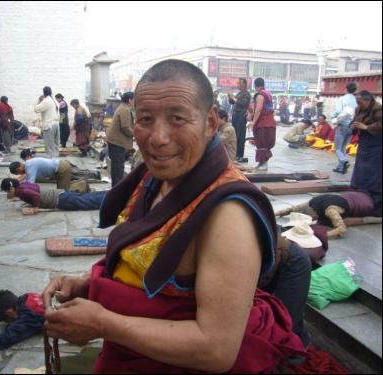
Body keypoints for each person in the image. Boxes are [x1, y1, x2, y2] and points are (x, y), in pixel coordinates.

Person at [41, 59, 305, 374]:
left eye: (177, 118)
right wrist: (86, 285)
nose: (158, 138)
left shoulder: (229, 215)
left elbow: (216, 348)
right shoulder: (153, 178)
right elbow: (136, 261)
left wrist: (103, 323)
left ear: (210, 122)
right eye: (146, 119)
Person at [275, 191, 382, 238]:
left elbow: (341, 229)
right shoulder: (313, 202)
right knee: (325, 222)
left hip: (366, 204)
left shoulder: (330, 211)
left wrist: (321, 236)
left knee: (343, 222)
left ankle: (378, 219)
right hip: (354, 195)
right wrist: (277, 213)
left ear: (314, 215)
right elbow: (296, 208)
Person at [0, 178, 107, 214]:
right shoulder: (22, 186)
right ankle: (108, 193)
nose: (8, 195)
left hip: (60, 200)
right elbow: (36, 187)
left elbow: (36, 196)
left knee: (88, 202)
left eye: (7, 192)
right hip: (60, 194)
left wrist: (35, 207)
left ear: (11, 189)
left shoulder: (20, 192)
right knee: (87, 197)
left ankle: (109, 199)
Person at [350, 90, 382, 200]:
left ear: (368, 100)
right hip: (364, 141)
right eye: (357, 102)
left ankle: (373, 191)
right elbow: (354, 121)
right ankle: (359, 187)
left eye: (360, 102)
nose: (358, 104)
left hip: (376, 141)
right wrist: (353, 126)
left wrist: (367, 127)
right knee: (361, 165)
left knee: (373, 167)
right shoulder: (358, 109)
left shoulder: (378, 108)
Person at [106, 92, 134, 186]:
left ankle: (114, 187)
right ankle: (117, 188)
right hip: (117, 142)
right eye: (134, 99)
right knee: (118, 167)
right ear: (130, 100)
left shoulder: (122, 107)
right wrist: (135, 134)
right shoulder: (125, 109)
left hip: (114, 141)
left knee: (116, 166)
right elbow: (125, 127)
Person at [249, 78, 276, 171]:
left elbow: (259, 109)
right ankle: (261, 163)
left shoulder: (260, 95)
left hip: (263, 123)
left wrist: (253, 122)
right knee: (263, 143)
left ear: (255, 85)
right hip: (270, 122)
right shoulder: (268, 93)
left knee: (262, 143)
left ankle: (264, 164)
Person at [331, 82, 357, 174]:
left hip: (342, 125)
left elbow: (338, 111)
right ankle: (340, 167)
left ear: (346, 89)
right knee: (343, 147)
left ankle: (344, 161)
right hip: (352, 126)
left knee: (338, 148)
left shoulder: (342, 99)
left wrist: (332, 116)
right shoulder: (357, 100)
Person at [228, 78, 251, 162]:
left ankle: (240, 155)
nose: (237, 85)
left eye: (239, 83)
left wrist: (233, 97)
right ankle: (236, 154)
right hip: (236, 114)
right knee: (235, 135)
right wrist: (230, 97)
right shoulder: (239, 93)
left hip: (241, 115)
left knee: (240, 136)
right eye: (237, 83)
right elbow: (232, 102)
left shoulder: (246, 94)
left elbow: (242, 103)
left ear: (244, 84)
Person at [34, 86, 60, 158]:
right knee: (55, 144)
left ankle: (51, 161)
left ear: (44, 93)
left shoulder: (46, 101)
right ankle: (56, 159)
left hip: (49, 125)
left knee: (49, 145)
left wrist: (39, 100)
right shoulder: (54, 100)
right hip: (56, 124)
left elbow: (36, 109)